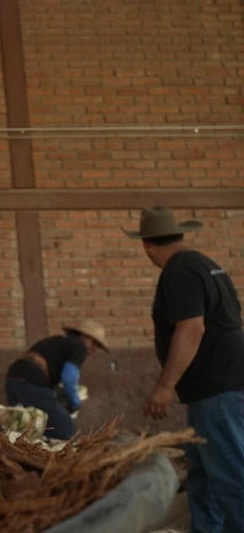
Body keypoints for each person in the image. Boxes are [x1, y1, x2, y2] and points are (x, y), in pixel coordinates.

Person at [125, 205, 244, 532]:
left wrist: (165, 386)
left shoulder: (179, 271)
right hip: (218, 386)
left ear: (147, 245)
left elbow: (191, 328)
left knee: (231, 474)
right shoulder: (208, 266)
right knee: (203, 473)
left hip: (216, 388)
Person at [4, 319, 109, 440]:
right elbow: (69, 378)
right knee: (66, 430)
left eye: (98, 346)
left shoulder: (58, 342)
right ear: (83, 336)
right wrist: (75, 402)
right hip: (32, 385)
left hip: (13, 383)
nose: (95, 348)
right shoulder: (79, 347)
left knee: (31, 426)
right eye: (94, 343)